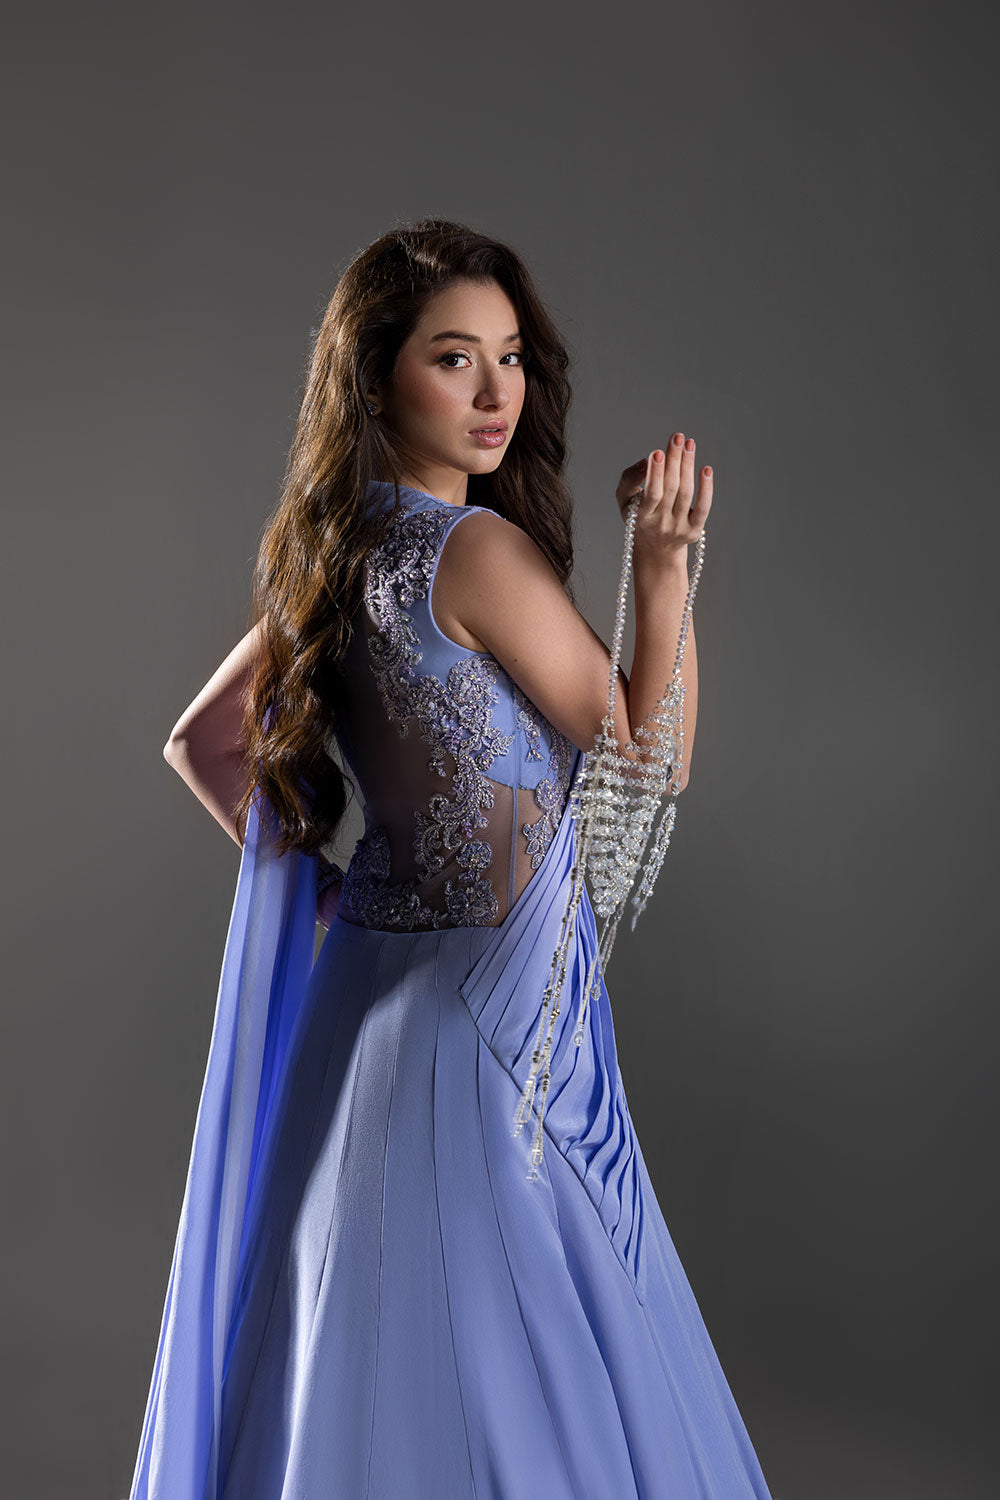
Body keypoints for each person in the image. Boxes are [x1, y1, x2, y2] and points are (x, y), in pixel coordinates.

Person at [126, 217, 773, 1499]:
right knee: (509, 1377)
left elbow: (205, 744)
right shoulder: (473, 551)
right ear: (375, 380)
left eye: (510, 357)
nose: (494, 393)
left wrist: (332, 900)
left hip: (365, 1018)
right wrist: (663, 567)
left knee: (369, 1367)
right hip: (490, 1034)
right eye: (452, 358)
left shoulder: (332, 550)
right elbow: (647, 762)